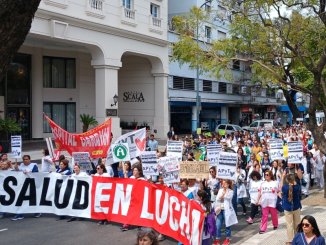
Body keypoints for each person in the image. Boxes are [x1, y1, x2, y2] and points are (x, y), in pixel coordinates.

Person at [12, 155, 40, 220]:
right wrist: (16, 168)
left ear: (30, 160)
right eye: (24, 159)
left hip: (31, 185)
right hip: (23, 186)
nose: (25, 160)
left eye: (27, 159)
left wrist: (28, 172)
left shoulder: (34, 165)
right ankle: (20, 214)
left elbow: (36, 174)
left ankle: (37, 212)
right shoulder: (21, 165)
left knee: (32, 200)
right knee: (21, 200)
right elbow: (17, 172)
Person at [213, 179, 238, 245]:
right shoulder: (220, 190)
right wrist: (223, 194)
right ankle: (217, 239)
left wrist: (224, 195)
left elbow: (228, 198)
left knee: (227, 225)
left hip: (226, 210)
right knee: (218, 225)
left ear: (228, 184)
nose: (223, 185)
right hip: (219, 209)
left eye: (225, 183)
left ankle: (227, 239)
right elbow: (218, 199)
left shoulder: (231, 191)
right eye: (222, 183)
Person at [281, 173, 302, 244]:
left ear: (287, 180)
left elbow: (281, 188)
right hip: (296, 207)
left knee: (289, 225)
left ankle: (290, 240)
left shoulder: (285, 187)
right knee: (297, 224)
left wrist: (282, 177)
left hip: (287, 208)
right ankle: (298, 238)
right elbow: (299, 191)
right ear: (293, 180)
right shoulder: (297, 187)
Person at [256, 169, 279, 234]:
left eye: (267, 175)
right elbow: (260, 192)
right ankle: (263, 228)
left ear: (271, 175)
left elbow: (278, 191)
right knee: (264, 216)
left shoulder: (275, 183)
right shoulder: (262, 183)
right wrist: (257, 200)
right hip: (264, 202)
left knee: (274, 215)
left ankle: (275, 224)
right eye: (265, 175)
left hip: (272, 202)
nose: (266, 176)